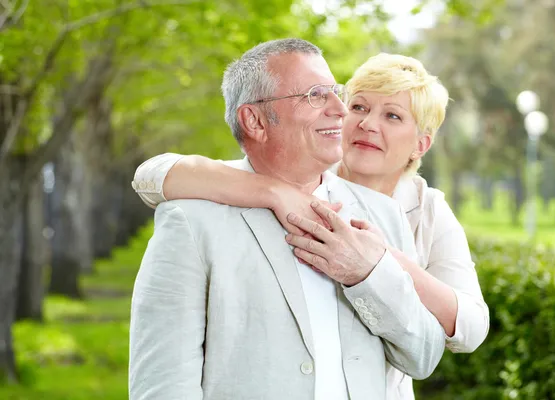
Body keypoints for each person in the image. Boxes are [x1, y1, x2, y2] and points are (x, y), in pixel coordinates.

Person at [132, 51, 489, 399]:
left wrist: (372, 269)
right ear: (255, 121)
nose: (345, 113)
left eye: (336, 93)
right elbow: (163, 384)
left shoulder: (398, 213)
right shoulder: (193, 217)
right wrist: (273, 191)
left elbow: (429, 351)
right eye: (316, 95)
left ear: (420, 145)